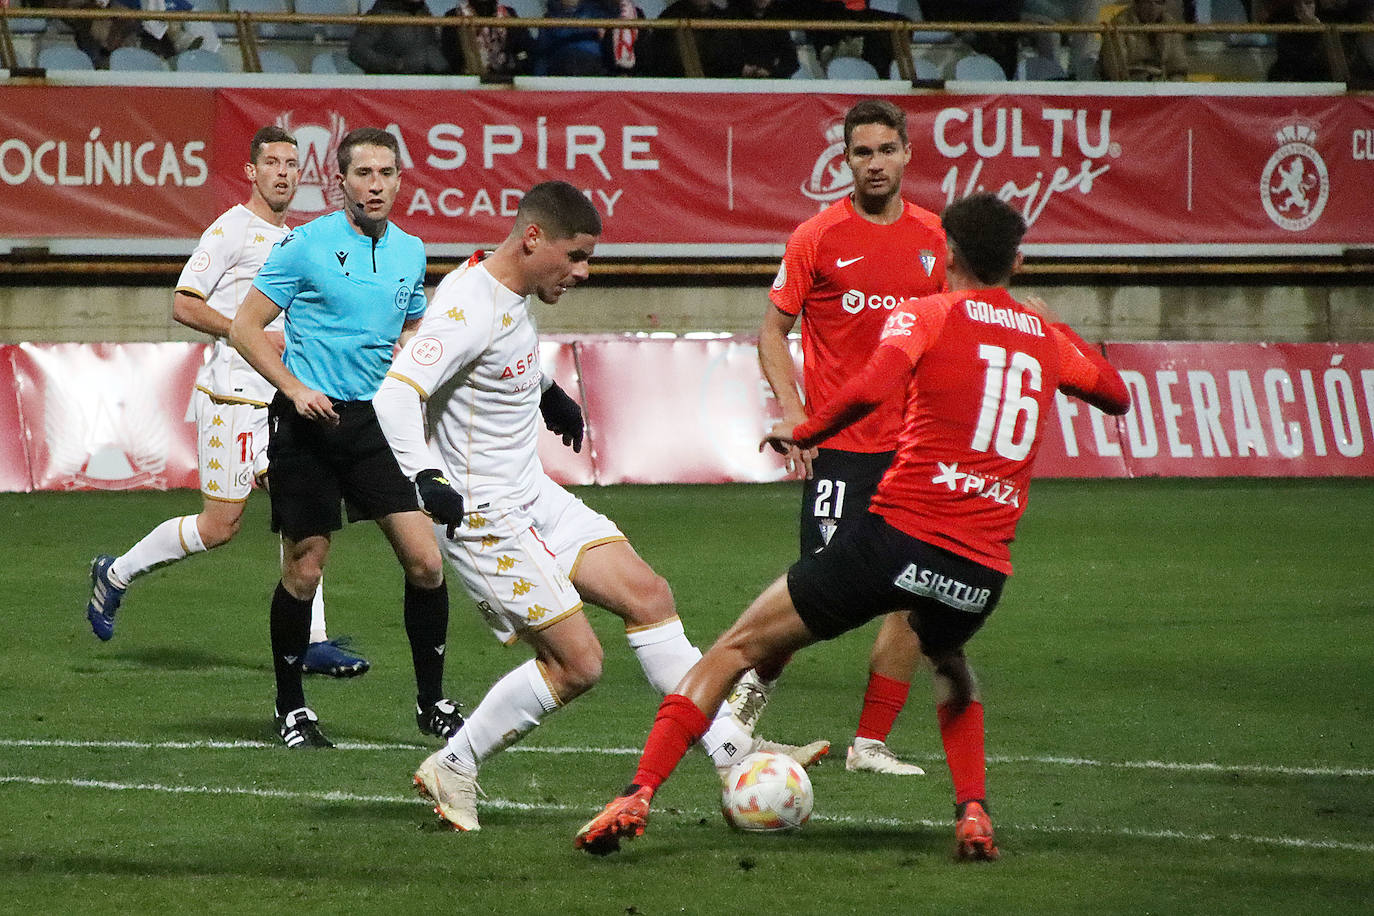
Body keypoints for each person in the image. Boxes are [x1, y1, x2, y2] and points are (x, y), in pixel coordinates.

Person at [575, 191, 1132, 859]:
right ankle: (974, 812)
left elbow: (872, 388)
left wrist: (801, 429)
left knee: (735, 648)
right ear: (1018, 259)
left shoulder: (925, 314)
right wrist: (1057, 327)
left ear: (947, 252)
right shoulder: (1042, 337)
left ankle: (636, 794)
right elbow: (1115, 394)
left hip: (895, 539)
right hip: (981, 567)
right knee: (949, 660)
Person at [372, 181, 828, 832]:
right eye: (577, 256)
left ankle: (734, 753)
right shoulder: (466, 305)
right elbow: (395, 396)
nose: (583, 273)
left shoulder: (501, 287)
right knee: (578, 665)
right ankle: (456, 763)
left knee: (649, 595)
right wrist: (425, 477)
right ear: (534, 239)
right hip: (484, 516)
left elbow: (499, 354)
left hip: (531, 494)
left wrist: (546, 391)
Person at [84, 126, 369, 680]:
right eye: (274, 163)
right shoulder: (230, 231)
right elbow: (184, 304)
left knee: (303, 510)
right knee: (221, 526)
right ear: (252, 172)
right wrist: (245, 333)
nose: (285, 172)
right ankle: (115, 574)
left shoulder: (297, 238)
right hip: (233, 396)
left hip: (282, 396)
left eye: (292, 164)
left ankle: (311, 640)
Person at [729, 99, 948, 778]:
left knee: (918, 592)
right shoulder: (817, 238)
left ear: (908, 153)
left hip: (914, 453)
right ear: (844, 159)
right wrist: (798, 418)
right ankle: (742, 704)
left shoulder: (937, 239)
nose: (875, 163)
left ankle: (870, 744)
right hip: (845, 454)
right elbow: (771, 331)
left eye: (886, 150)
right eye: (861, 152)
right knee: (814, 599)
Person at [228, 127, 460, 749]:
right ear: (341, 183)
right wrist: (293, 388)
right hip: (305, 425)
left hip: (366, 425)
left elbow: (415, 336)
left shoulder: (411, 251)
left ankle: (432, 702)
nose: (376, 185)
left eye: (387, 173)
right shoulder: (305, 245)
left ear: (400, 181)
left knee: (426, 562)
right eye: (364, 174)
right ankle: (291, 707)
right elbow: (245, 328)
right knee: (305, 571)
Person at [347, 0, 448, 75]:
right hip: (390, 93)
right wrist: (398, 65)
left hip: (426, 91)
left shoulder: (424, 12)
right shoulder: (382, 14)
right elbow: (357, 51)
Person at [441, 0, 535, 78]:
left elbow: (523, 48)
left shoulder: (509, 14)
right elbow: (451, 55)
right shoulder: (453, 16)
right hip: (467, 82)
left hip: (507, 79)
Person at [1110, 0, 1188, 81]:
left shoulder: (1170, 25)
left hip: (1163, 85)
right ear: (1137, 3)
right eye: (1148, 2)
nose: (1153, 7)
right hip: (1130, 84)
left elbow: (1179, 68)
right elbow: (1114, 68)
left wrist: (1171, 87)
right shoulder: (1119, 24)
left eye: (1158, 2)